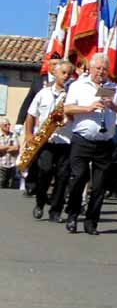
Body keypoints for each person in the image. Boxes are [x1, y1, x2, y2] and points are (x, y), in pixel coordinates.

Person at [63, 53, 117, 235]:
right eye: (98, 68)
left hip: (104, 143)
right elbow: (67, 108)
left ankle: (91, 221)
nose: (101, 72)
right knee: (78, 178)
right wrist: (88, 108)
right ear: (90, 69)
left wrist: (113, 106)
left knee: (100, 185)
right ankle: (72, 215)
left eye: (104, 69)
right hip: (82, 140)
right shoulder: (78, 86)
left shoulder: (115, 88)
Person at [25, 60, 74, 222]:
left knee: (62, 177)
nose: (66, 76)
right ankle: (40, 202)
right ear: (55, 73)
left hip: (65, 141)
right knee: (44, 171)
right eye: (63, 73)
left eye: (69, 73)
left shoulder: (72, 96)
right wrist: (28, 135)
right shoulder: (43, 93)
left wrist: (68, 116)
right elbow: (31, 114)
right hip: (46, 140)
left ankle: (56, 211)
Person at [0, 118, 19, 188]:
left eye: (9, 124)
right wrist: (9, 146)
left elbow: (16, 148)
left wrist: (3, 148)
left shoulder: (13, 135)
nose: (8, 126)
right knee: (1, 187)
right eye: (6, 125)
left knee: (11, 187)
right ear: (1, 126)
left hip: (12, 165)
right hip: (1, 166)